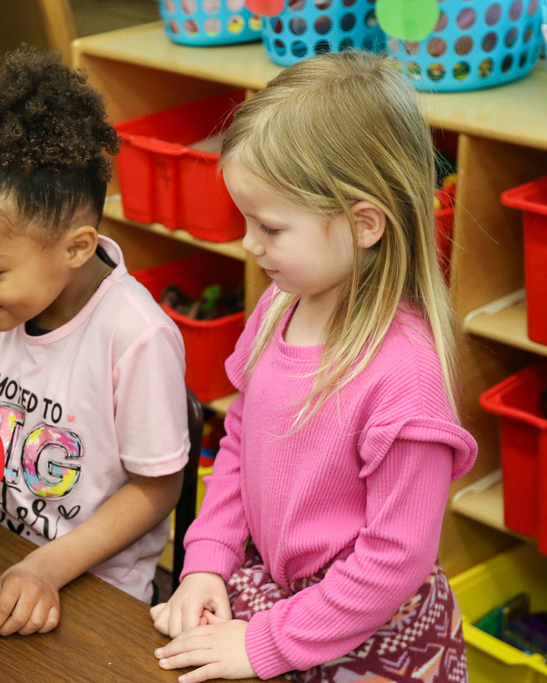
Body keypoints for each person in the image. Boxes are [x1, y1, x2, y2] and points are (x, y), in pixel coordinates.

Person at [149, 51, 477, 683]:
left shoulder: (405, 375)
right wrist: (207, 564)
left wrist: (264, 645)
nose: (248, 243)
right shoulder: (277, 307)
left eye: (270, 227)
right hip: (278, 601)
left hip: (370, 639)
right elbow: (239, 445)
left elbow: (394, 561)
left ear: (362, 225)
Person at [0, 46, 189, 639]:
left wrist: (47, 566)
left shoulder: (136, 336)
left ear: (76, 247)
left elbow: (157, 488)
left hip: (95, 588)